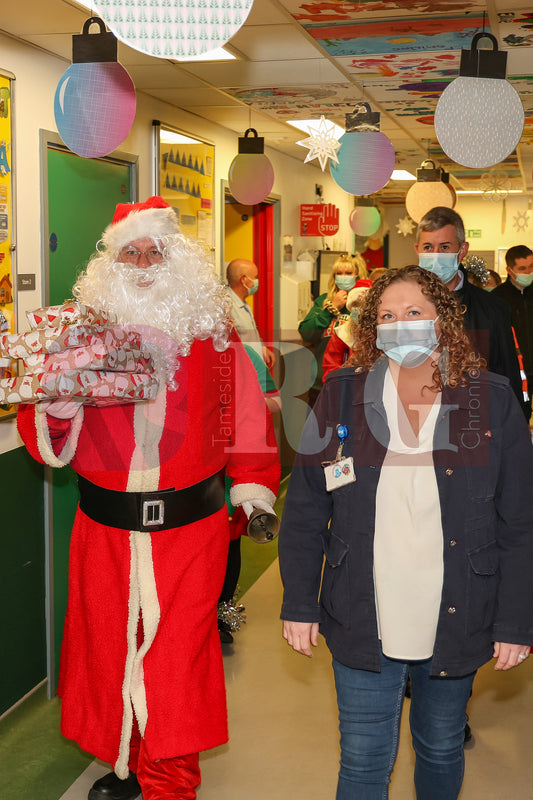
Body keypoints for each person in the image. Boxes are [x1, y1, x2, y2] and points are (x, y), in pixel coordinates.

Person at [16, 197, 280, 800]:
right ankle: (129, 764)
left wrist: (254, 492)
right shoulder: (80, 337)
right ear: (109, 261)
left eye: (153, 250)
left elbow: (245, 421)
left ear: (176, 260)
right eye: (128, 250)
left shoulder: (212, 340)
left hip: (191, 531)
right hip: (104, 531)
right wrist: (58, 406)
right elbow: (48, 440)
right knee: (113, 651)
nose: (141, 261)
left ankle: (170, 783)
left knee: (176, 663)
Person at [279, 265, 533, 800]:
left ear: (444, 320)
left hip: (458, 607)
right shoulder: (342, 394)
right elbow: (304, 508)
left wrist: (515, 620)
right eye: (388, 316)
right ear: (373, 329)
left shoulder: (490, 398)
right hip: (362, 607)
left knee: (440, 745)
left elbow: (519, 522)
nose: (402, 325)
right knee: (364, 759)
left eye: (415, 313)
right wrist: (300, 602)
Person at [414, 206, 526, 417]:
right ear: (417, 249)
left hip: (475, 425)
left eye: (445, 247)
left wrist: (514, 429)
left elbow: (507, 376)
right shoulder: (399, 306)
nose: (436, 255)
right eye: (428, 247)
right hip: (416, 424)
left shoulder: (493, 309)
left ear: (462, 250)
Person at [298, 254, 367, 404]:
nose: (343, 277)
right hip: (322, 382)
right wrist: (331, 308)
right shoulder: (323, 301)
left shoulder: (364, 304)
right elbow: (307, 333)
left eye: (348, 273)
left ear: (358, 275)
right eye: (339, 273)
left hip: (356, 382)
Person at [493, 245, 533, 421]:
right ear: (509, 270)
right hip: (514, 371)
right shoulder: (497, 299)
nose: (528, 272)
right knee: (519, 417)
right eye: (522, 268)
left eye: (532, 266)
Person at [226, 257, 275, 368]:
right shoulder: (227, 307)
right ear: (244, 279)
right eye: (255, 277)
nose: (257, 281)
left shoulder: (243, 304)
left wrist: (262, 348)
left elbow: (247, 336)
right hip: (243, 373)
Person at [321, 279, 372, 382]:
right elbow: (330, 368)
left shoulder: (382, 334)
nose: (360, 309)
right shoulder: (341, 335)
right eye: (356, 305)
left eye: (365, 305)